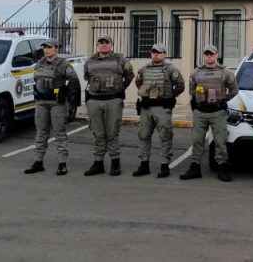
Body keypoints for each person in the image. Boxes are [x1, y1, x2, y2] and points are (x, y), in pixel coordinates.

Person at [180, 45, 238, 182]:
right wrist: (198, 102)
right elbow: (191, 91)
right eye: (206, 54)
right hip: (200, 112)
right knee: (197, 140)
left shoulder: (226, 72)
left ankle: (222, 168)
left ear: (217, 55)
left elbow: (234, 90)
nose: (209, 57)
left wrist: (224, 100)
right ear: (204, 56)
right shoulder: (196, 73)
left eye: (211, 54)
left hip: (218, 112)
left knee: (220, 142)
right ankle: (195, 168)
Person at [24, 38, 80, 176]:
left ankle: (62, 163)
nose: (46, 50)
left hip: (57, 103)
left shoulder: (63, 64)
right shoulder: (39, 64)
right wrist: (36, 92)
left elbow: (74, 80)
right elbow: (36, 79)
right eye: (45, 47)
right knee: (41, 133)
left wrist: (65, 93)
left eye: (49, 47)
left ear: (56, 48)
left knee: (59, 133)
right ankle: (38, 162)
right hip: (42, 102)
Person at [82, 35, 134, 177]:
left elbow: (130, 75)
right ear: (97, 45)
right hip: (94, 100)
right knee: (98, 133)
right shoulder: (90, 61)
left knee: (112, 133)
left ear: (112, 45)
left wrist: (121, 88)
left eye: (107, 43)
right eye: (101, 43)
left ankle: (115, 163)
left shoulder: (120, 60)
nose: (104, 45)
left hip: (113, 100)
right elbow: (87, 77)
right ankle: (98, 163)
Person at [133, 43, 185, 178]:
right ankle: (144, 164)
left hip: (162, 108)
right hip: (146, 108)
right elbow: (138, 83)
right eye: (154, 52)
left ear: (164, 54)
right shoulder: (144, 69)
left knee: (165, 137)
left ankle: (164, 165)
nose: (156, 54)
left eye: (159, 52)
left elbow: (180, 85)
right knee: (143, 136)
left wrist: (170, 97)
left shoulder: (170, 69)